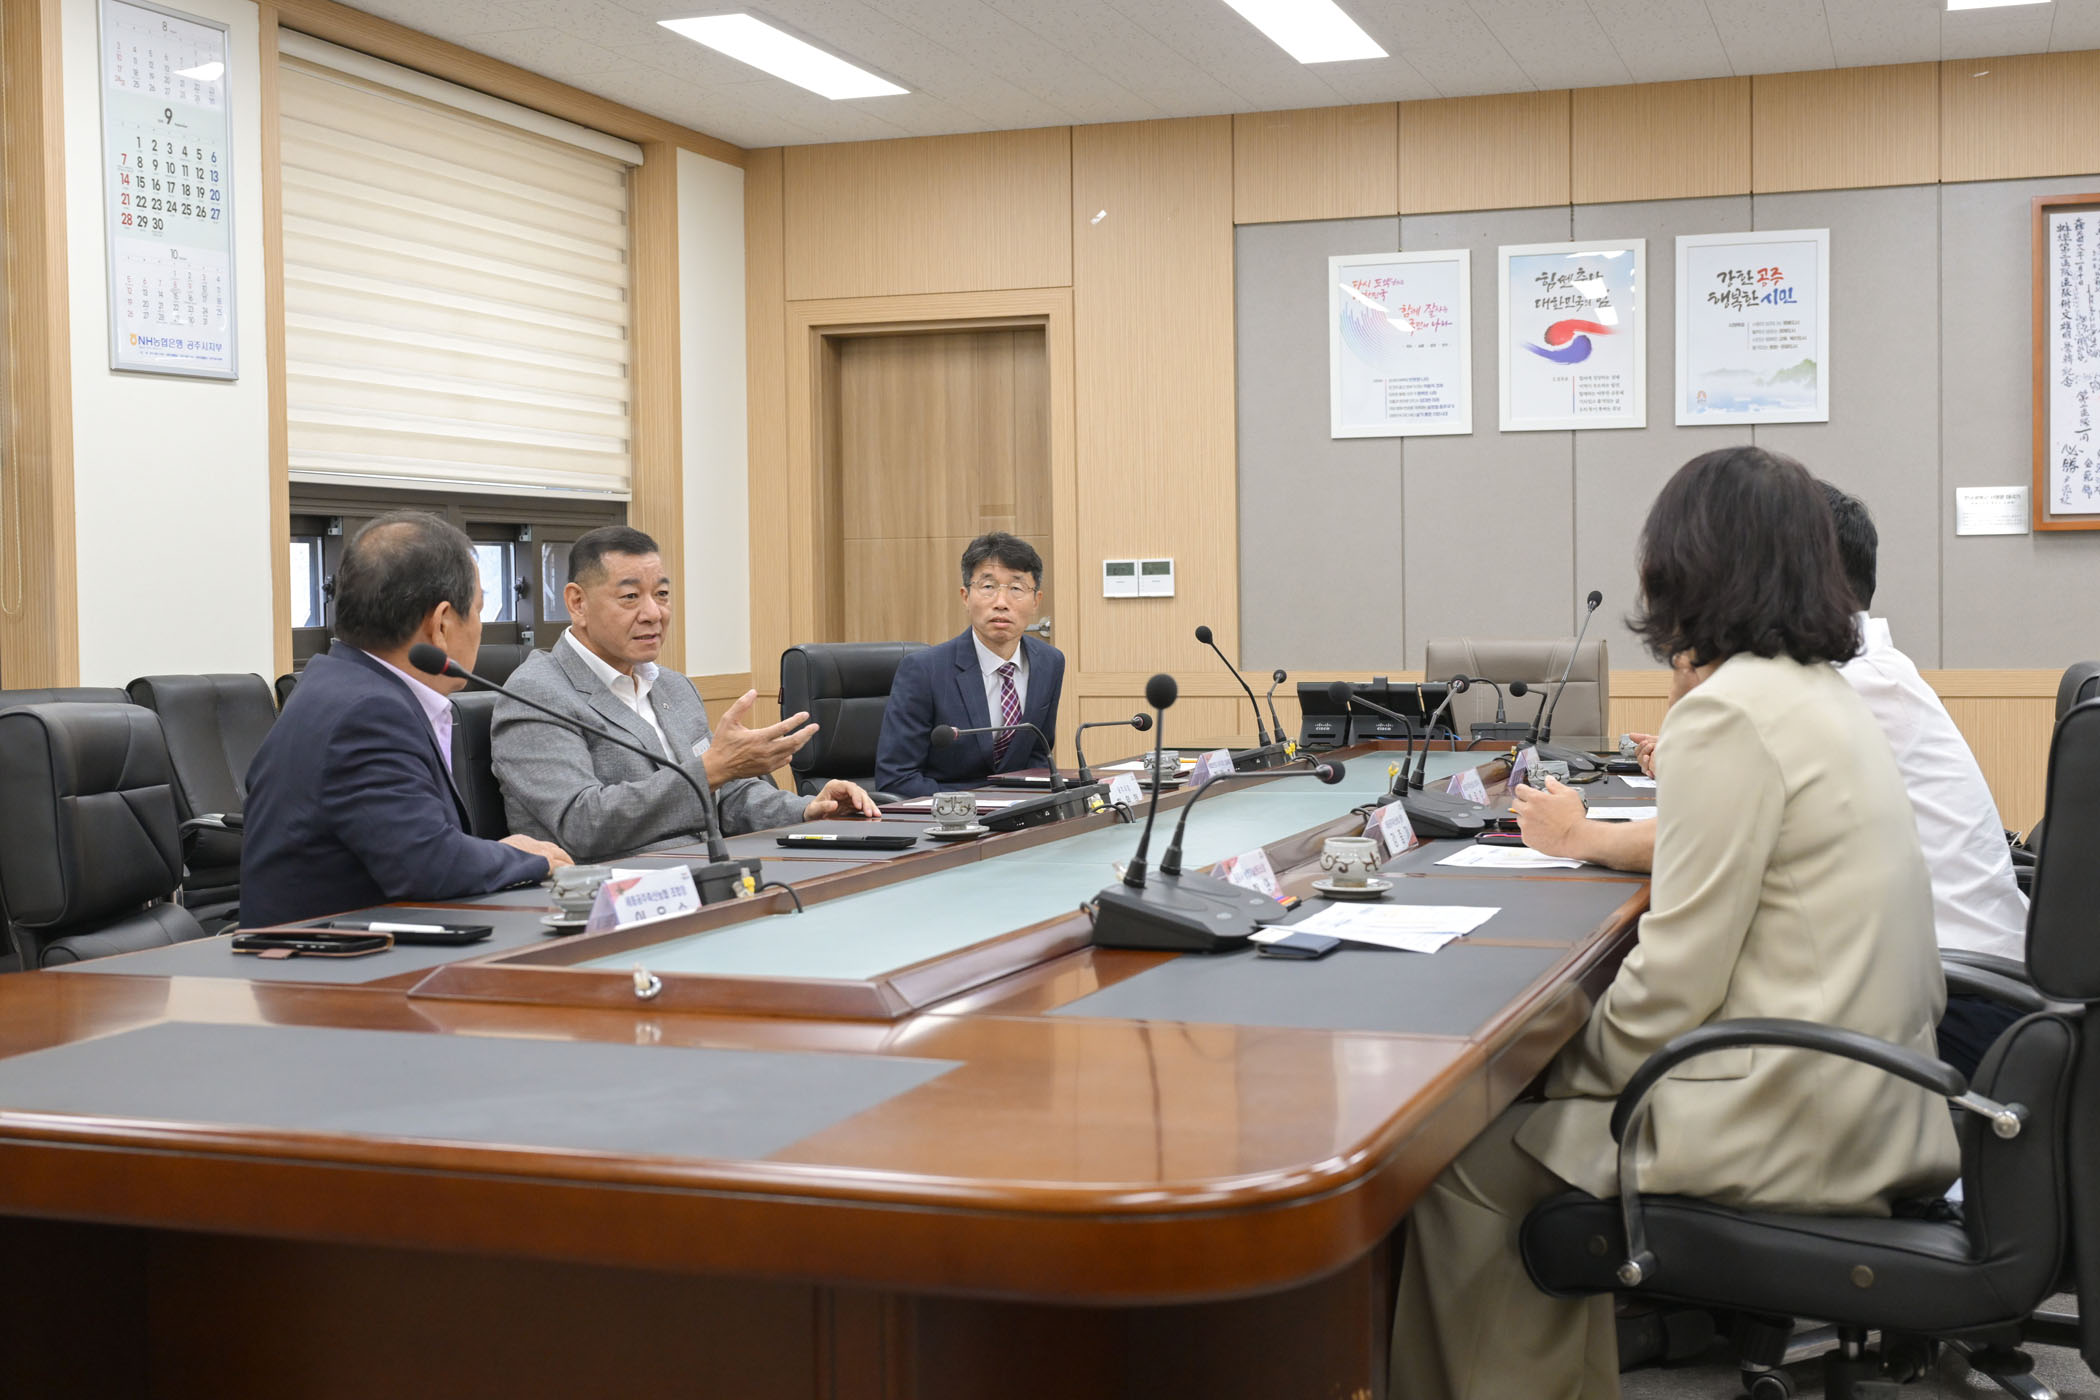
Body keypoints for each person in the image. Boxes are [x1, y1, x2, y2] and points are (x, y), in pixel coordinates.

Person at [1390, 447, 1958, 1399]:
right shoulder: (1823, 694)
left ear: (1686, 566)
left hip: (1793, 1114)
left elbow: (1675, 982)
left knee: (1464, 1163)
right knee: (1523, 1126)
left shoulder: (1733, 711)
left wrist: (1539, 1074)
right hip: (1879, 1093)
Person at [1512, 482, 2028, 1078]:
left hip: (1945, 1014)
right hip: (1921, 1000)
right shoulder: (1853, 676)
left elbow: (1685, 894)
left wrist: (1575, 836)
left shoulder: (1825, 689)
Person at [241, 512, 572, 927]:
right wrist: (525, 858)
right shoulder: (368, 714)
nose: (480, 628)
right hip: (336, 958)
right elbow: (429, 864)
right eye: (478, 611)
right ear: (441, 624)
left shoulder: (335, 682)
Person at [492, 526, 878, 864]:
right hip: (617, 896)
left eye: (661, 594)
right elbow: (583, 823)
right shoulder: (537, 693)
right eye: (630, 597)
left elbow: (727, 797)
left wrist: (808, 810)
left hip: (715, 875)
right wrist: (711, 770)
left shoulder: (673, 686)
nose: (653, 613)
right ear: (578, 603)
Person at [873, 533, 1067, 799]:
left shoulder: (1050, 662)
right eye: (988, 587)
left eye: (1016, 588)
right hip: (944, 815)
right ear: (965, 596)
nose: (1001, 603)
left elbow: (1037, 757)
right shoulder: (923, 671)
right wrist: (985, 802)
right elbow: (896, 780)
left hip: (1018, 814)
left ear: (1036, 600)